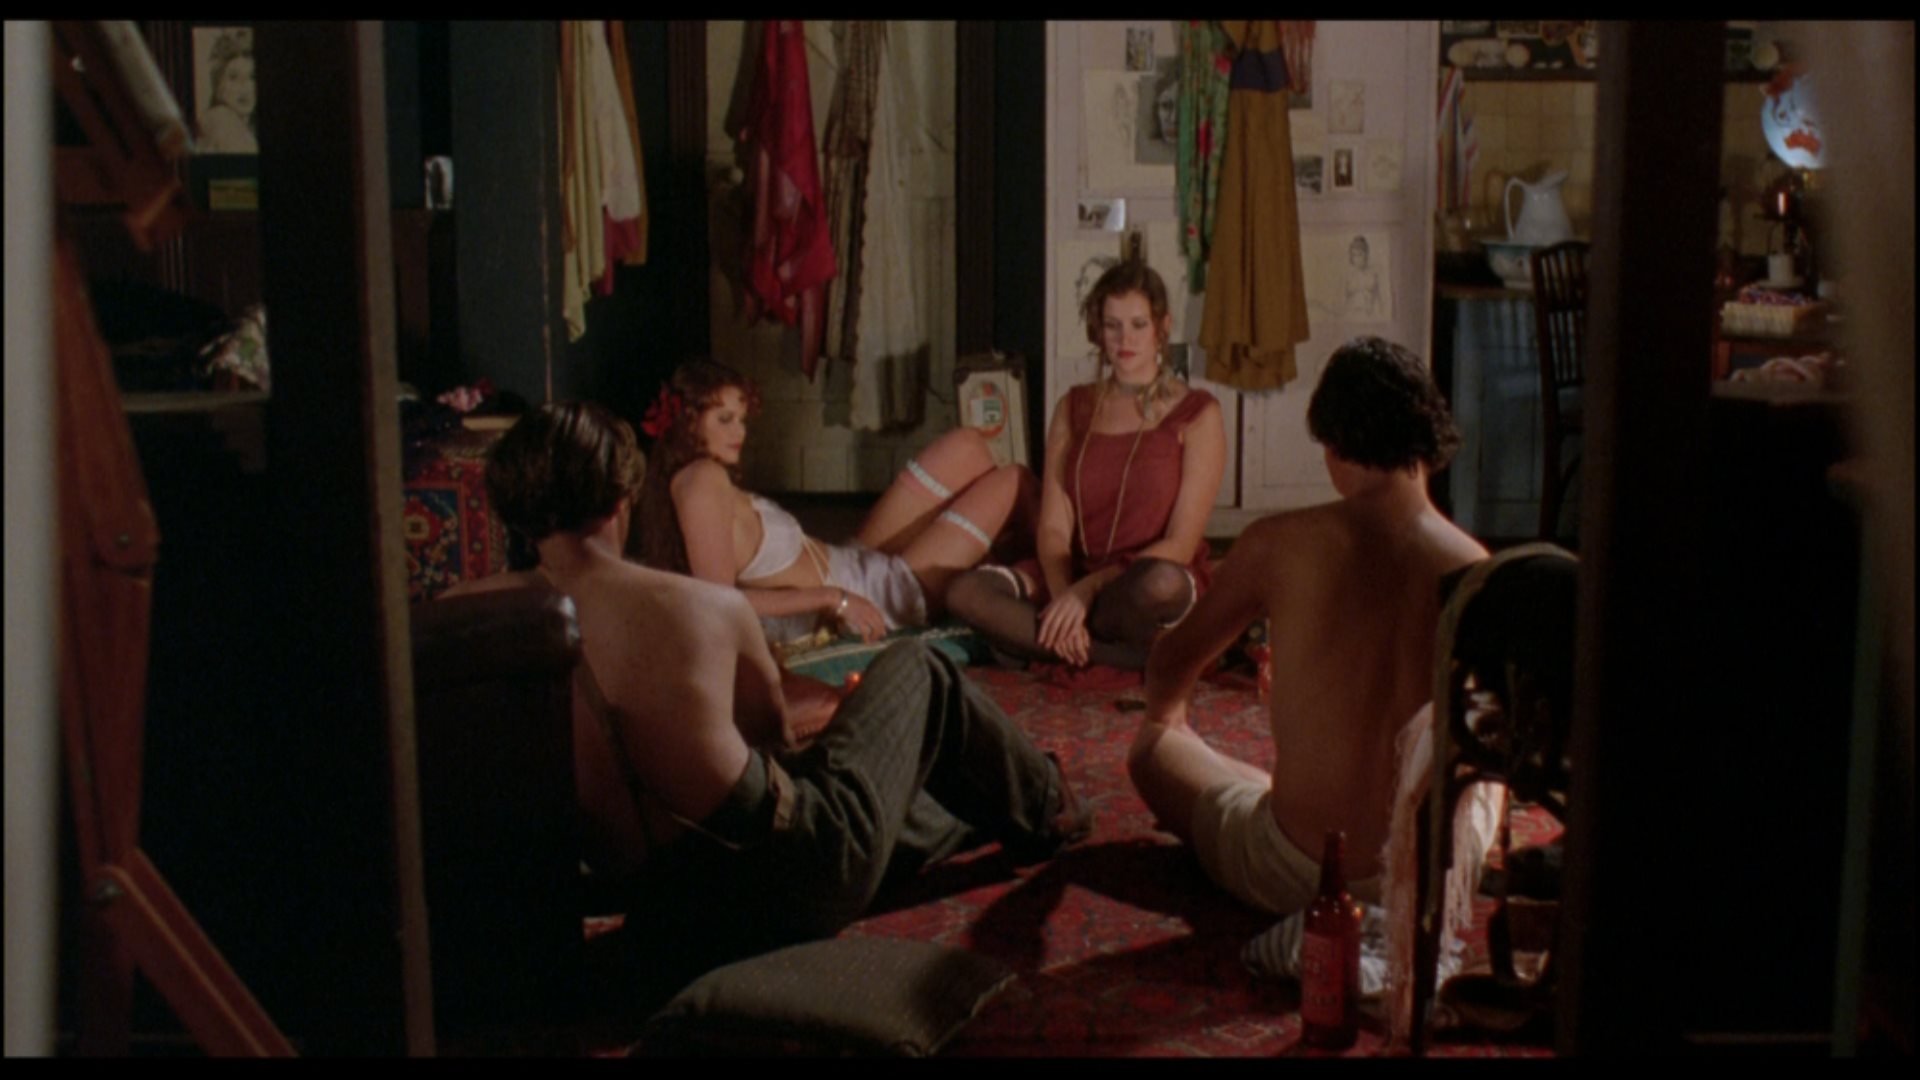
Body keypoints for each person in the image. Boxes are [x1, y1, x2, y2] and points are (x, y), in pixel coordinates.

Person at [444, 401, 1090, 992]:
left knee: (916, 806)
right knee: (917, 668)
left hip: (658, 907)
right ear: (621, 500)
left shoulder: (465, 621)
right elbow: (775, 741)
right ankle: (1049, 808)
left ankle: (978, 804)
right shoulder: (703, 606)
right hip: (789, 882)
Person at [1124, 336, 1488, 916]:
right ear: (1427, 442)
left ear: (1335, 446)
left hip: (1303, 873)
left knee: (1154, 748)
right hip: (1431, 877)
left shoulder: (1279, 543)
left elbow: (1169, 667)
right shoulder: (1476, 568)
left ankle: (1278, 800)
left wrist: (1172, 723)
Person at [632, 360, 1035, 649]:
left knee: (968, 446)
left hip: (852, 558)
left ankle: (1005, 570)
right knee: (1013, 480)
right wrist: (834, 599)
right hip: (880, 595)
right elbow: (721, 603)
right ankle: (1049, 584)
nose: (739, 432)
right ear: (688, 421)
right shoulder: (701, 481)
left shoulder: (699, 476)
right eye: (724, 420)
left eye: (741, 419)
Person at [945, 260, 1227, 674]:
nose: (1125, 339)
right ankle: (1129, 657)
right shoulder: (1074, 406)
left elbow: (1182, 543)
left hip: (1138, 578)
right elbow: (1054, 529)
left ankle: (1033, 641)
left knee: (1159, 584)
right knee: (965, 593)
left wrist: (1086, 592)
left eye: (1138, 325)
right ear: (1098, 330)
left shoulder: (1198, 413)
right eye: (1112, 326)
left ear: (1162, 327)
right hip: (1074, 572)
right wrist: (1066, 594)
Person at [196, 29, 256, 155]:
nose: (244, 87)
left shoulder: (245, 126)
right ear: (218, 86)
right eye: (233, 77)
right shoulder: (220, 118)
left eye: (251, 77)